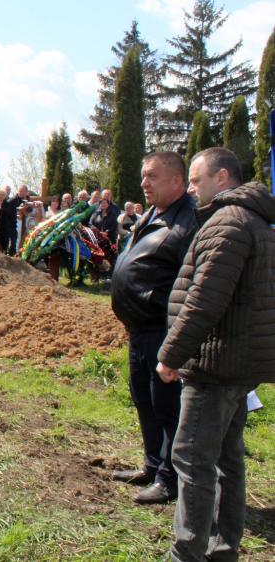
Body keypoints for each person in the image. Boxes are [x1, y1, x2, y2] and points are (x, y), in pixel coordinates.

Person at [156, 147, 275, 560]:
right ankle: (223, 550)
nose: (191, 188)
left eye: (196, 180)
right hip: (238, 362)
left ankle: (187, 553)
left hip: (215, 363)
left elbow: (204, 301)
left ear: (222, 177)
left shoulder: (228, 223)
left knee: (192, 458)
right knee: (227, 458)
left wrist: (171, 354)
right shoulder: (255, 221)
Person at [110, 151, 197, 505]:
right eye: (143, 175)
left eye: (152, 176)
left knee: (167, 405)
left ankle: (168, 478)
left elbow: (193, 281)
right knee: (143, 399)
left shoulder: (189, 221)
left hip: (163, 327)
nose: (144, 183)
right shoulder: (151, 215)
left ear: (177, 181)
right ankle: (151, 464)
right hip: (139, 327)